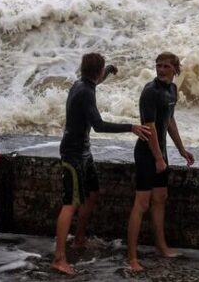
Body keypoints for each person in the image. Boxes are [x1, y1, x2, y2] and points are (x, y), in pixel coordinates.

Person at [51, 53, 151, 275]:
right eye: (102, 70)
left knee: (93, 194)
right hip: (72, 154)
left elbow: (97, 79)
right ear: (96, 71)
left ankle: (78, 238)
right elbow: (98, 125)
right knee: (70, 204)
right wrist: (131, 127)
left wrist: (109, 70)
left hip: (83, 152)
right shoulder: (85, 91)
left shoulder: (83, 82)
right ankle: (59, 258)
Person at [126, 52, 195, 272]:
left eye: (165, 66)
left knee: (160, 198)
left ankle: (161, 247)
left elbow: (169, 120)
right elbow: (150, 128)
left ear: (176, 69)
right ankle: (132, 258)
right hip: (147, 153)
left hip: (161, 152)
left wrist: (181, 150)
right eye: (158, 66)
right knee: (142, 204)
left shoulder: (172, 90)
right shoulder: (150, 92)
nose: (161, 70)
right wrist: (157, 158)